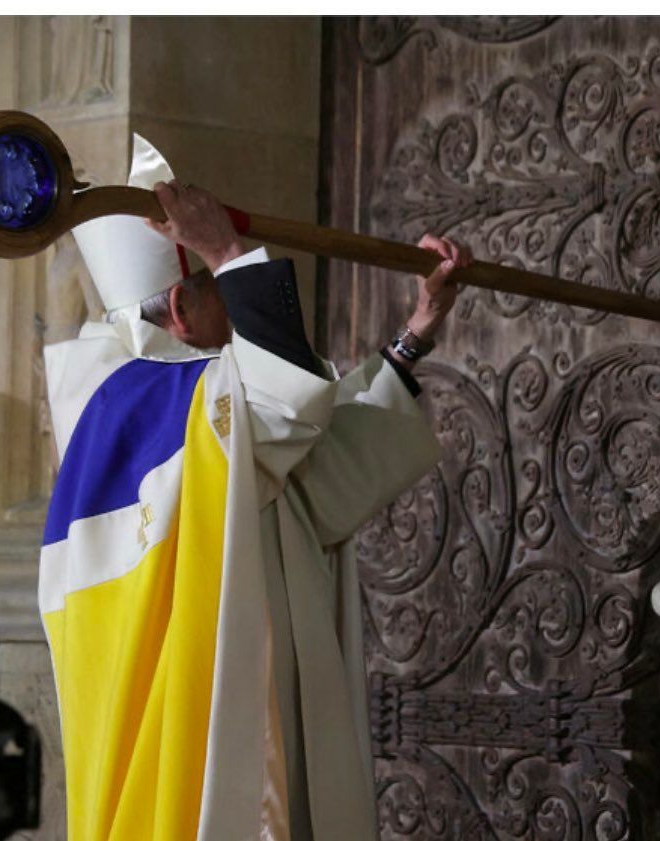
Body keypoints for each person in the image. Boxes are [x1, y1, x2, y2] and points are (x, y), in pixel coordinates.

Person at [38, 136, 472, 841]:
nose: (236, 318)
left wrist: (416, 332)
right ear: (182, 308)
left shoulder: (168, 414)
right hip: (217, 758)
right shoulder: (160, 407)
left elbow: (314, 477)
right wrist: (225, 250)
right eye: (221, 296)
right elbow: (284, 405)